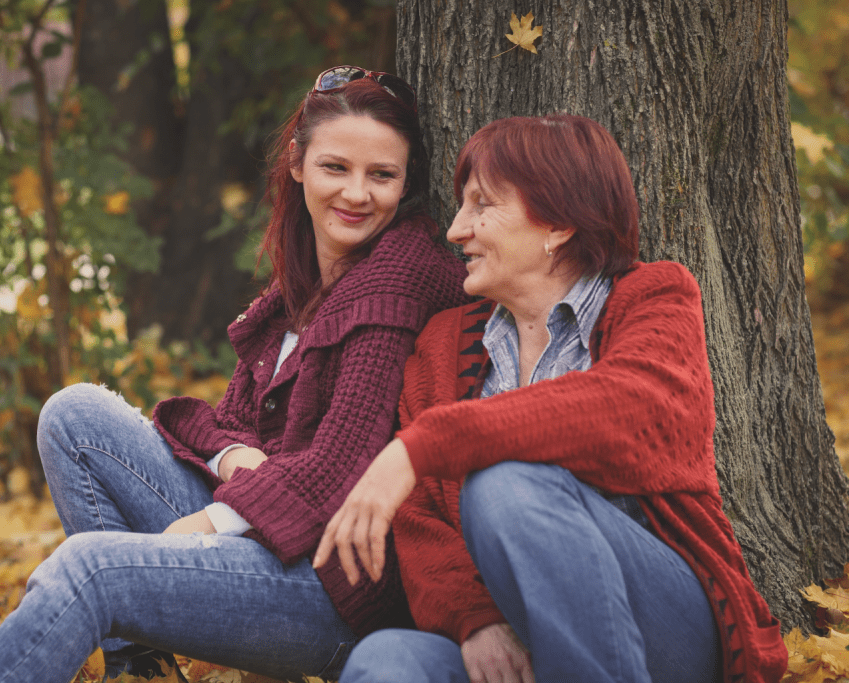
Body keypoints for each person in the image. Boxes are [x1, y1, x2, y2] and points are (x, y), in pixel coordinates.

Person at [0, 66, 469, 683]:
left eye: (382, 175)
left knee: (89, 567)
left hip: (329, 589)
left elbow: (343, 467)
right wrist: (232, 461)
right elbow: (227, 426)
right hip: (268, 532)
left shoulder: (399, 272)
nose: (356, 193)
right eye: (336, 167)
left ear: (405, 183)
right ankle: (139, 671)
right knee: (73, 416)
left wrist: (214, 520)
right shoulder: (303, 278)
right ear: (298, 163)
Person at [314, 114, 788, 683]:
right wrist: (476, 619)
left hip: (664, 625)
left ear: (558, 224)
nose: (456, 230)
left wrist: (426, 446)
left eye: (481, 205)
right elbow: (419, 519)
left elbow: (630, 408)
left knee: (508, 485)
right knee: (385, 660)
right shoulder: (443, 345)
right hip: (518, 632)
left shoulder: (655, 297)